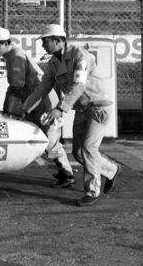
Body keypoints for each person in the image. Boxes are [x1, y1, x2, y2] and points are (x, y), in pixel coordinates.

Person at [21, 24, 122, 207]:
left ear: (57, 41)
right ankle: (112, 170)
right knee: (78, 152)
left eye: (45, 41)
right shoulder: (53, 63)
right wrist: (25, 108)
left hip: (98, 107)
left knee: (88, 148)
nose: (43, 45)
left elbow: (78, 85)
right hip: (81, 109)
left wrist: (60, 108)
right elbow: (43, 88)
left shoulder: (80, 55)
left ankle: (92, 191)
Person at [0, 27, 75, 188]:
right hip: (35, 100)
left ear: (5, 43)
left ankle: (67, 173)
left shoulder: (16, 55)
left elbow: (16, 86)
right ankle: (64, 170)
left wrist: (9, 109)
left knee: (48, 136)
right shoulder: (11, 55)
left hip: (42, 101)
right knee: (43, 135)